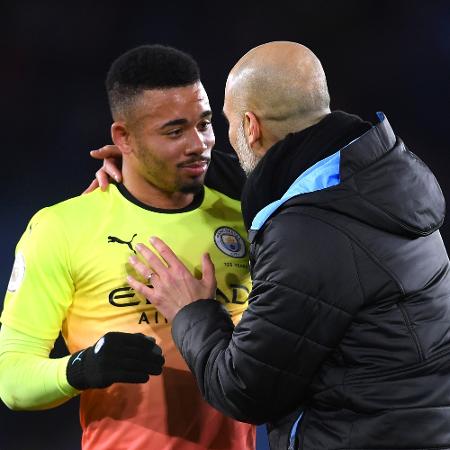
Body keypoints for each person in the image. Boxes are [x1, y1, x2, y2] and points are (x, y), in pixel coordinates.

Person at [123, 41, 450, 449]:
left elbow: (243, 388)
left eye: (224, 123)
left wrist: (191, 310)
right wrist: (148, 164)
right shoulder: (371, 178)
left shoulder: (309, 234)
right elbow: (267, 181)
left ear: (250, 126)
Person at [0, 44, 255, 450]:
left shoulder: (248, 220)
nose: (199, 144)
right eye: (174, 131)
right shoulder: (61, 228)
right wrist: (80, 368)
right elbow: (11, 380)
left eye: (204, 124)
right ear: (123, 138)